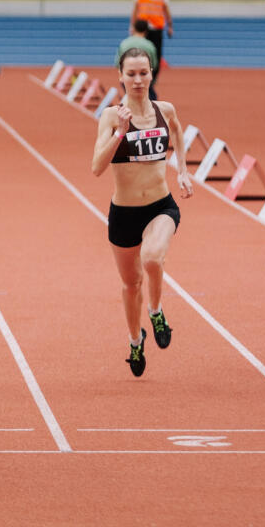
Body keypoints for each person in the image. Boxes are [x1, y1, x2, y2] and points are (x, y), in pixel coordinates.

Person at [92, 36, 194, 377]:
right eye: (131, 74)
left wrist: (182, 171)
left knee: (152, 258)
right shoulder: (110, 116)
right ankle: (136, 341)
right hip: (123, 214)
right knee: (130, 283)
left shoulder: (165, 110)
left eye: (144, 73)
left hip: (160, 206)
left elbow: (178, 133)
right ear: (120, 75)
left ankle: (157, 311)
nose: (138, 81)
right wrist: (120, 132)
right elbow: (96, 167)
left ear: (152, 74)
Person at [130, 0, 172, 90]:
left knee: (157, 54)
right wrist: (132, 26)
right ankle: (141, 76)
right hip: (143, 27)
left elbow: (166, 9)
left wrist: (170, 25)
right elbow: (135, 9)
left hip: (157, 27)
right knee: (141, 52)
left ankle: (153, 78)